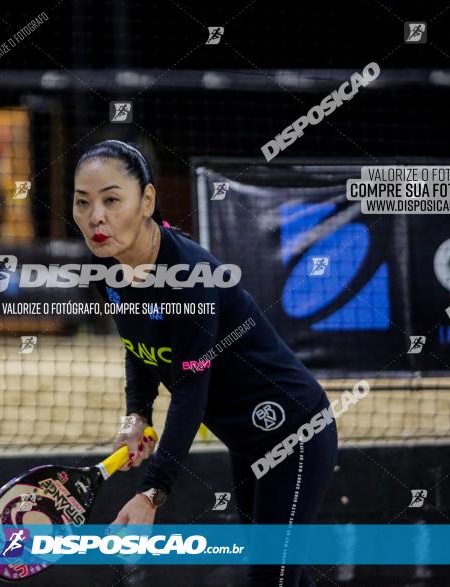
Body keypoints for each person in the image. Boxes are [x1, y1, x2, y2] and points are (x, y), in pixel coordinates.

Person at [71, 139, 338, 586]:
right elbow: (138, 345)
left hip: (296, 432)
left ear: (147, 201)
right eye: (83, 202)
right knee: (284, 577)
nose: (95, 216)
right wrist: (137, 412)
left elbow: (190, 394)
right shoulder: (105, 267)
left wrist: (152, 492)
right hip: (249, 444)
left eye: (112, 200)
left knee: (271, 577)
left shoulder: (192, 276)